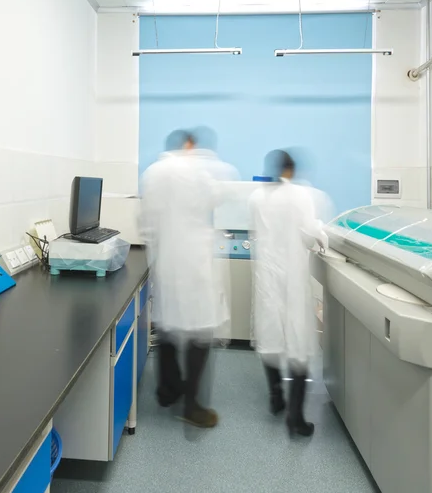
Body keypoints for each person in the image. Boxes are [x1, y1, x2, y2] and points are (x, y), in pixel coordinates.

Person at [139, 130, 229, 428]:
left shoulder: (152, 173)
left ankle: (167, 391)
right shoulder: (196, 170)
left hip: (166, 262)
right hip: (192, 265)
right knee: (200, 334)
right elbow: (216, 196)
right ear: (188, 146)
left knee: (166, 328)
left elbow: (146, 222)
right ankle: (192, 405)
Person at [249, 149, 328, 438]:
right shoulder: (301, 196)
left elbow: (255, 230)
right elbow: (309, 233)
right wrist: (321, 236)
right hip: (291, 276)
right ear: (292, 170)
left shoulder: (257, 196)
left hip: (267, 274)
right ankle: (295, 417)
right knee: (298, 343)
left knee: (269, 337)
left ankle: (275, 396)